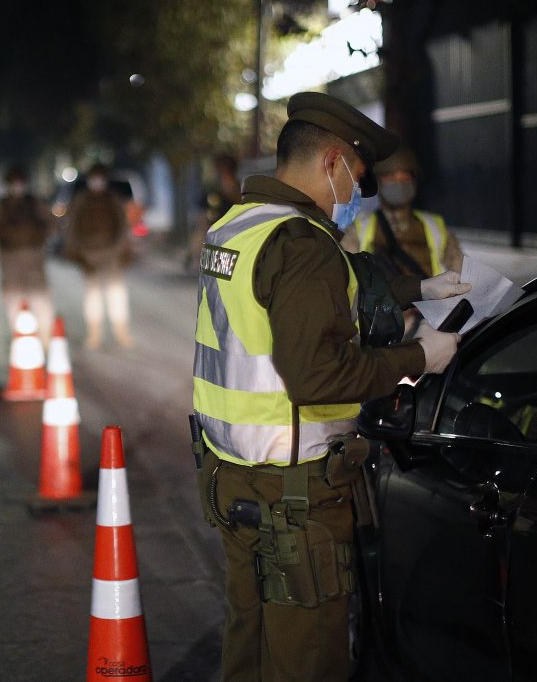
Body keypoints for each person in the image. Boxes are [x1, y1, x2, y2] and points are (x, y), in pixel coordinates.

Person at [192, 93, 471, 680]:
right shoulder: (301, 244)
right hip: (293, 493)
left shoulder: (238, 226)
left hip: (231, 473)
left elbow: (324, 292)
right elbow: (318, 374)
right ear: (333, 163)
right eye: (359, 177)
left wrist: (419, 287)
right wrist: (420, 354)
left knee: (251, 640)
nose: (360, 193)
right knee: (306, 658)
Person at [341, 144, 464, 277]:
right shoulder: (359, 229)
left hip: (433, 298)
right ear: (378, 182)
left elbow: (460, 272)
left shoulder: (436, 227)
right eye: (391, 178)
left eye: (405, 177)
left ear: (414, 181)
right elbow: (347, 276)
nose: (399, 183)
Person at [0, 165, 56, 343]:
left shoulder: (35, 203)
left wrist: (40, 235)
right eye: (13, 183)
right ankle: (21, 344)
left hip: (33, 259)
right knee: (14, 305)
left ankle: (45, 343)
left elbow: (52, 225)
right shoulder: (1, 206)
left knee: (41, 304)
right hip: (10, 262)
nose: (17, 186)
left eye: (19, 182)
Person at [64, 163, 134, 349]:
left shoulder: (112, 199)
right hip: (88, 254)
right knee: (92, 295)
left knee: (116, 294)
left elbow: (122, 225)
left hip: (111, 253)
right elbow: (72, 227)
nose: (97, 182)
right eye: (94, 178)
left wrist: (121, 249)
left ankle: (121, 333)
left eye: (100, 178)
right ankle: (94, 334)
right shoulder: (80, 200)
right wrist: (76, 251)